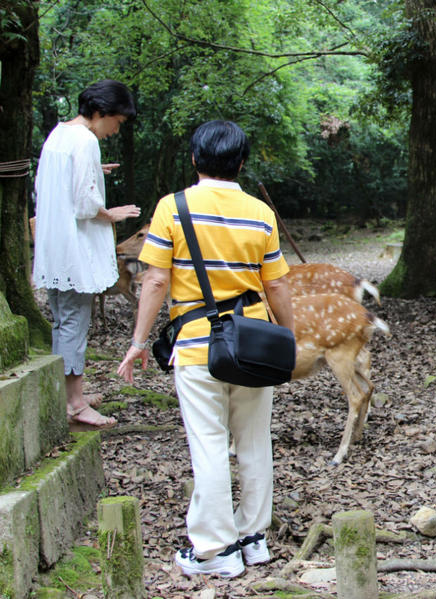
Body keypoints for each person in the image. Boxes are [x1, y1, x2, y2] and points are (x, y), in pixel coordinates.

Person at [117, 120, 295, 578]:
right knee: (254, 440)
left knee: (210, 445)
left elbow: (155, 278)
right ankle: (253, 539)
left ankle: (216, 552)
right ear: (240, 162)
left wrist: (139, 342)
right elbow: (275, 283)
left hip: (198, 347)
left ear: (195, 159)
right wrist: (288, 337)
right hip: (253, 344)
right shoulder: (260, 212)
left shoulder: (172, 208)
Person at [32, 79, 140, 430]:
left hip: (55, 249)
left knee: (64, 320)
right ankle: (75, 404)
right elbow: (83, 204)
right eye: (117, 121)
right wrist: (112, 213)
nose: (114, 130)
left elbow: (50, 184)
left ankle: (66, 394)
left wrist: (97, 172)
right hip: (74, 251)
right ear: (100, 112)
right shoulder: (86, 140)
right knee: (75, 322)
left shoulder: (59, 135)